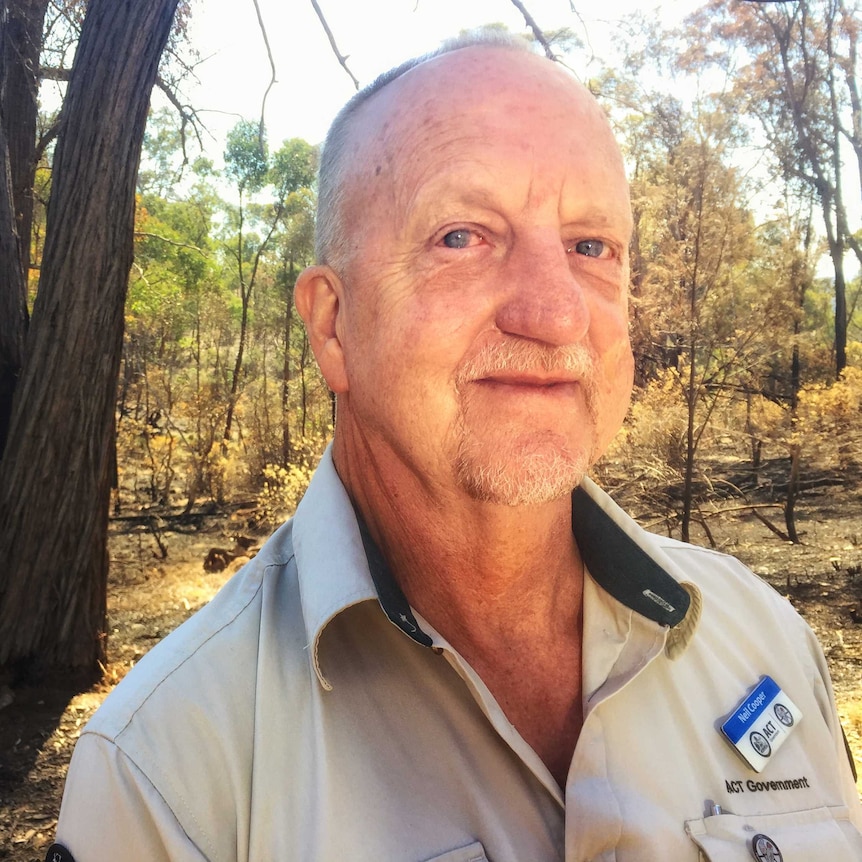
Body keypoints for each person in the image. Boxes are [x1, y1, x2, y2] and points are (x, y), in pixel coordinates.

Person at [50, 33, 862, 862]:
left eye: (591, 247)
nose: (554, 315)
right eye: (463, 237)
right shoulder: (169, 774)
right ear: (333, 326)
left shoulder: (763, 639)